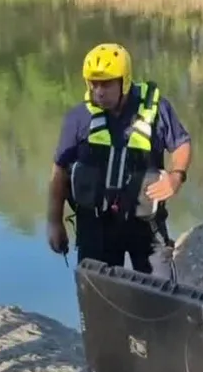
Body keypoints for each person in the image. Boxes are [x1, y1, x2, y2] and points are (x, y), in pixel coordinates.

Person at [46, 43, 192, 281]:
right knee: (97, 296)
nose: (99, 91)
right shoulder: (78, 118)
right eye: (93, 83)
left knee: (162, 296)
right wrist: (54, 222)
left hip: (145, 225)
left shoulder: (156, 109)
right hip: (95, 225)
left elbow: (182, 144)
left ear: (124, 81)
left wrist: (177, 176)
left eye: (106, 84)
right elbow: (59, 172)